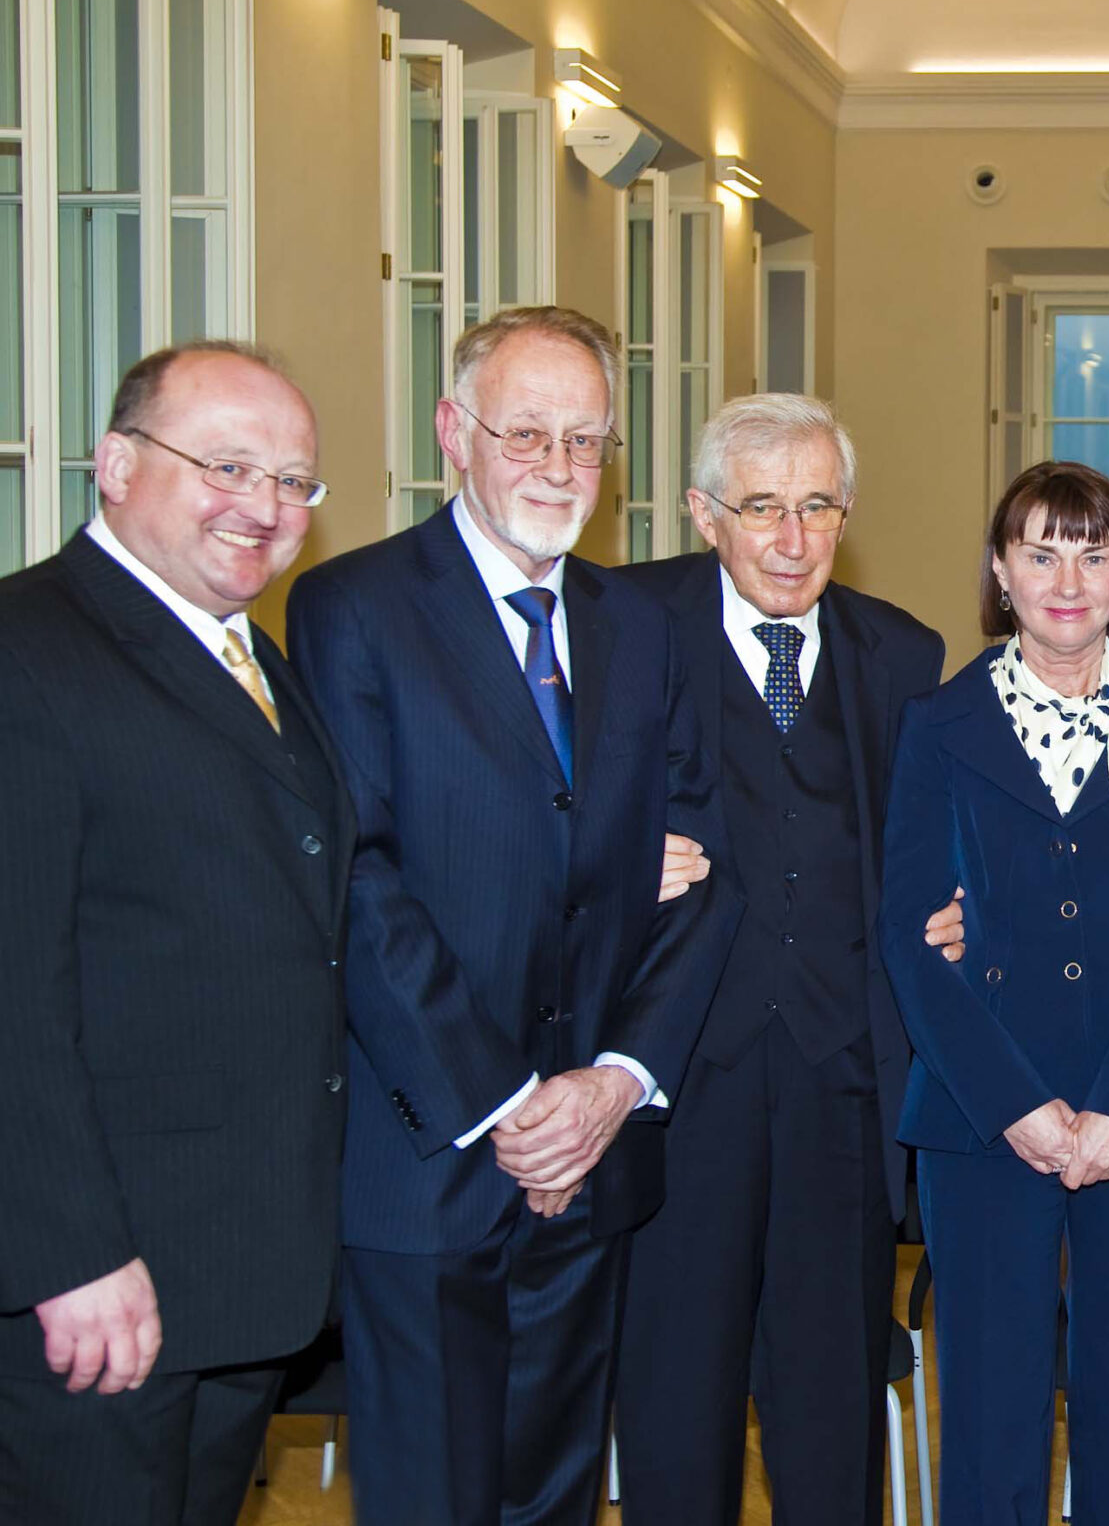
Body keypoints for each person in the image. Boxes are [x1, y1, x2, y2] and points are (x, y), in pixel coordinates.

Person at [288, 305, 742, 1526]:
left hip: (598, 1150)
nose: (558, 467)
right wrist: (511, 1104)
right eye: (527, 432)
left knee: (551, 1496)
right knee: (432, 1500)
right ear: (454, 433)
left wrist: (610, 1083)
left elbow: (709, 874)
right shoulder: (353, 609)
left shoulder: (643, 627)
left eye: (586, 441)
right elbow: (362, 878)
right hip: (430, 1151)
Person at [0, 344, 348, 1525]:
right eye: (229, 465)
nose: (265, 506)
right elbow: (12, 990)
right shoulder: (26, 651)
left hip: (236, 1264)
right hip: (99, 1285)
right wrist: (65, 1256)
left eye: (296, 481)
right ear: (114, 464)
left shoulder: (255, 655)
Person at [615, 394, 954, 1525]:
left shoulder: (903, 653)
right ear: (706, 514)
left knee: (830, 1401)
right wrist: (609, 858)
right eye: (763, 507)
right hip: (676, 1080)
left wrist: (967, 909)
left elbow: (935, 842)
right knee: (675, 1399)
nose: (794, 539)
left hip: (843, 1082)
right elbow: (530, 807)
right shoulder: (620, 623)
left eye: (818, 506)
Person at [879, 460, 1109, 1526]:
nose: (1066, 577)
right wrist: (1017, 1105)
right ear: (1000, 571)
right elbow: (911, 934)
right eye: (1039, 551)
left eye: (1092, 551)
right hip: (984, 1109)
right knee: (990, 1412)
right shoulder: (936, 725)